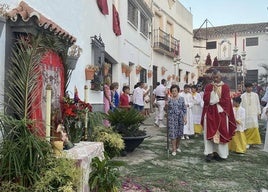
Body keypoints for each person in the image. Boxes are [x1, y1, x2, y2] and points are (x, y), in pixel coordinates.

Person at [201, 69, 236, 162]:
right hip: (210, 113)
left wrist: (216, 99)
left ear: (221, 77)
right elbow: (206, 99)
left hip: (221, 113)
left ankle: (220, 154)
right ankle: (209, 153)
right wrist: (213, 93)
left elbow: (226, 101)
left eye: (217, 77)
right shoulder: (208, 87)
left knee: (222, 132)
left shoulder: (225, 87)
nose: (215, 79)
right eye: (214, 77)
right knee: (209, 133)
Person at [167, 84, 187, 156]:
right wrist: (166, 105)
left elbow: (184, 109)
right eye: (173, 91)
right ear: (171, 92)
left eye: (175, 91)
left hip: (180, 118)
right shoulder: (169, 99)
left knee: (179, 133)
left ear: (178, 91)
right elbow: (166, 109)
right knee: (173, 133)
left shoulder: (181, 98)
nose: (174, 92)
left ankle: (177, 146)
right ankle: (174, 149)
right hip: (172, 118)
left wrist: (185, 117)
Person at [240, 82, 262, 148]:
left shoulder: (255, 95)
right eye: (248, 87)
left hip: (254, 114)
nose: (250, 88)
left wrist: (259, 113)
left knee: (254, 127)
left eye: (251, 87)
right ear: (245, 88)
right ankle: (247, 142)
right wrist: (241, 115)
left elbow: (258, 104)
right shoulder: (243, 96)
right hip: (246, 114)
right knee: (247, 128)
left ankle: (254, 142)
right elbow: (241, 106)